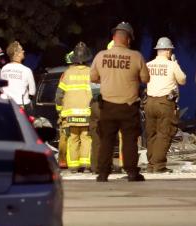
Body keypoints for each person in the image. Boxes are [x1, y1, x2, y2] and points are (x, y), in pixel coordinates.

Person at [89, 22, 150, 182]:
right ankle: (131, 172)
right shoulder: (136, 57)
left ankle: (103, 173)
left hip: (107, 105)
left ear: (114, 37)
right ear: (128, 40)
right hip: (129, 106)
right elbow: (146, 78)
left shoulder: (101, 56)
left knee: (106, 140)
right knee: (129, 139)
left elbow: (93, 77)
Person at [145, 37, 186, 174]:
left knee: (151, 134)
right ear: (168, 51)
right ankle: (159, 165)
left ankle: (151, 164)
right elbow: (182, 80)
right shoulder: (172, 65)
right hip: (165, 103)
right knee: (165, 133)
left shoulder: (148, 64)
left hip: (149, 102)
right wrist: (175, 64)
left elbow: (143, 79)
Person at [55, 43, 94, 173]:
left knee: (72, 138)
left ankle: (73, 166)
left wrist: (60, 111)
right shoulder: (92, 73)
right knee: (86, 138)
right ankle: (86, 164)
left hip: (70, 115)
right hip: (87, 113)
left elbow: (59, 95)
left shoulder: (66, 74)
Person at [0, 41, 36, 111]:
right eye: (21, 50)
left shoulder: (4, 68)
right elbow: (32, 92)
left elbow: (3, 87)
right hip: (22, 105)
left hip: (7, 104)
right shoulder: (26, 70)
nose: (23, 51)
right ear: (17, 54)